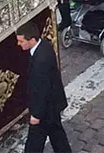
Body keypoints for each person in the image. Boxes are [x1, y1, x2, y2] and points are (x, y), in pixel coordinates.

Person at [16, 22, 71, 153]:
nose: (19, 44)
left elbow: (42, 89)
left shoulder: (41, 60)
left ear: (32, 40)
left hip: (44, 109)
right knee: (57, 134)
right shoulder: (44, 46)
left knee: (34, 144)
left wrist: (36, 114)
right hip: (52, 104)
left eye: (21, 41)